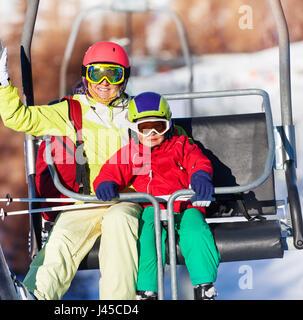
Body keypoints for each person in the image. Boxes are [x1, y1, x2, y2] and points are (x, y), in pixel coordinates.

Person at [0, 35, 142, 300]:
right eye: (96, 74)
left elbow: (170, 137)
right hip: (86, 200)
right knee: (64, 237)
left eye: (112, 75)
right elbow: (18, 118)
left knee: (120, 222)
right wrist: (0, 79)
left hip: (128, 197)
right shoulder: (70, 111)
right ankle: (37, 295)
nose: (104, 83)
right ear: (85, 76)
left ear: (124, 78)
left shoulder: (136, 110)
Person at [93, 92, 221, 300]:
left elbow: (198, 161)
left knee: (196, 230)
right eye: (145, 128)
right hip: (151, 208)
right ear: (135, 129)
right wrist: (106, 182)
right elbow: (112, 170)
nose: (152, 133)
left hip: (184, 205)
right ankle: (147, 289)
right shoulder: (132, 153)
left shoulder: (180, 145)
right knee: (147, 237)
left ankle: (204, 285)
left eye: (158, 126)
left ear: (168, 125)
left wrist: (200, 177)